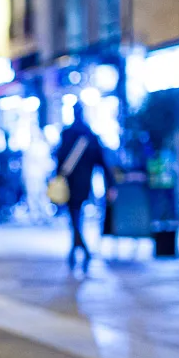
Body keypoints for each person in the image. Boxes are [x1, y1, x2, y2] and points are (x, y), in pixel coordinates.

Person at [56, 102, 116, 272]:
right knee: (77, 214)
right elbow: (102, 162)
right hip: (83, 184)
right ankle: (80, 247)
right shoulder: (89, 135)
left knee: (74, 215)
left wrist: (57, 179)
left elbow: (59, 159)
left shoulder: (67, 134)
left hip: (69, 183)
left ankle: (78, 247)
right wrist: (110, 184)